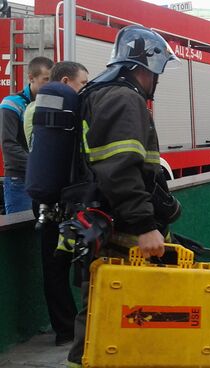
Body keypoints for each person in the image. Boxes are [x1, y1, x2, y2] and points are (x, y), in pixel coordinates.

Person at [66, 25, 180, 368]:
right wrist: (145, 226)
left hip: (105, 219)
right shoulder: (123, 97)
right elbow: (119, 169)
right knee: (115, 312)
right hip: (123, 229)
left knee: (101, 308)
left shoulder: (100, 92)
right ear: (145, 67)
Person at [24, 61, 89, 347]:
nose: (83, 90)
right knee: (60, 267)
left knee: (55, 268)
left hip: (49, 199)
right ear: (66, 81)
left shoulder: (38, 111)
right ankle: (68, 330)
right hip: (63, 199)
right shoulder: (50, 112)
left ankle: (66, 330)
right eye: (82, 84)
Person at [0, 56, 53, 213]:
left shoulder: (51, 103)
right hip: (20, 179)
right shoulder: (12, 104)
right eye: (46, 79)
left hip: (44, 179)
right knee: (21, 233)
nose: (50, 84)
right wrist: (38, 166)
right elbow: (8, 145)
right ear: (31, 78)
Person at [24, 61, 89, 151]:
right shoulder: (55, 109)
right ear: (65, 81)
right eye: (83, 83)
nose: (86, 88)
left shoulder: (36, 106)